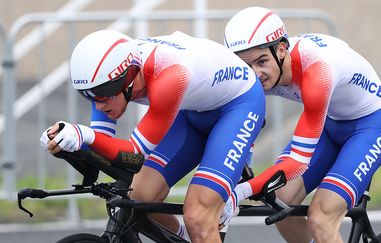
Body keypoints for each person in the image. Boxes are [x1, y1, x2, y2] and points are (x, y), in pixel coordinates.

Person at [39, 29, 265, 242]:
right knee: (138, 196)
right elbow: (101, 145)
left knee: (198, 214)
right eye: (87, 95)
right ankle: (186, 237)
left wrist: (83, 135)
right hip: (192, 109)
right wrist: (66, 143)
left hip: (238, 106)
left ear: (129, 77)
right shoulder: (107, 80)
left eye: (104, 93)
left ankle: (202, 229)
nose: (99, 104)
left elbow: (133, 155)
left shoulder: (170, 77)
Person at [222, 6, 381, 243]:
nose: (255, 74)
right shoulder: (266, 67)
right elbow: (242, 120)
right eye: (246, 66)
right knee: (279, 199)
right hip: (332, 123)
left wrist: (240, 193)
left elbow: (297, 161)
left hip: (373, 126)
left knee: (321, 219)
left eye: (261, 61)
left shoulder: (317, 71)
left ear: (282, 49)